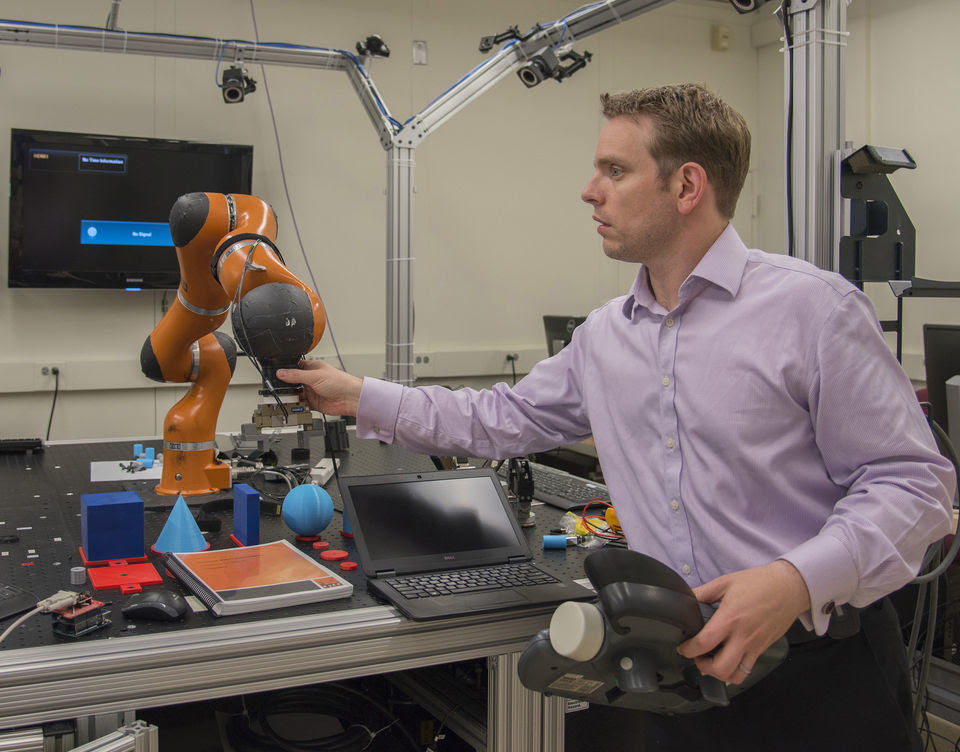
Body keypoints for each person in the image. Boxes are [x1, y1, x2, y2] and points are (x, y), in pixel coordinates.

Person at [278, 84, 955, 751]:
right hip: (677, 664)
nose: (589, 190)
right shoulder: (606, 337)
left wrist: (792, 581)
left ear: (687, 186)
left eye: (615, 170)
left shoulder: (813, 312)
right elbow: (498, 419)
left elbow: (915, 486)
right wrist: (355, 394)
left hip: (818, 672)